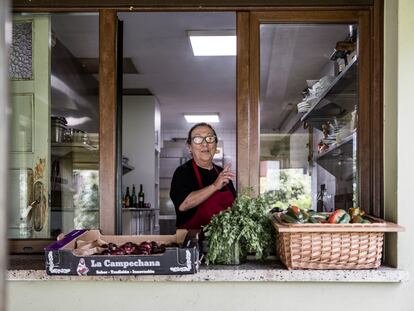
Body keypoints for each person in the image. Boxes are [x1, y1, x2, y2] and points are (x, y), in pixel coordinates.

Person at [170, 122, 236, 230]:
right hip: (193, 241)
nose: (205, 144)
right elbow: (183, 204)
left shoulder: (221, 172)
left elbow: (234, 206)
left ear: (215, 146)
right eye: (197, 139)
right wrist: (214, 186)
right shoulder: (183, 172)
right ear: (190, 147)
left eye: (210, 139)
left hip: (222, 240)